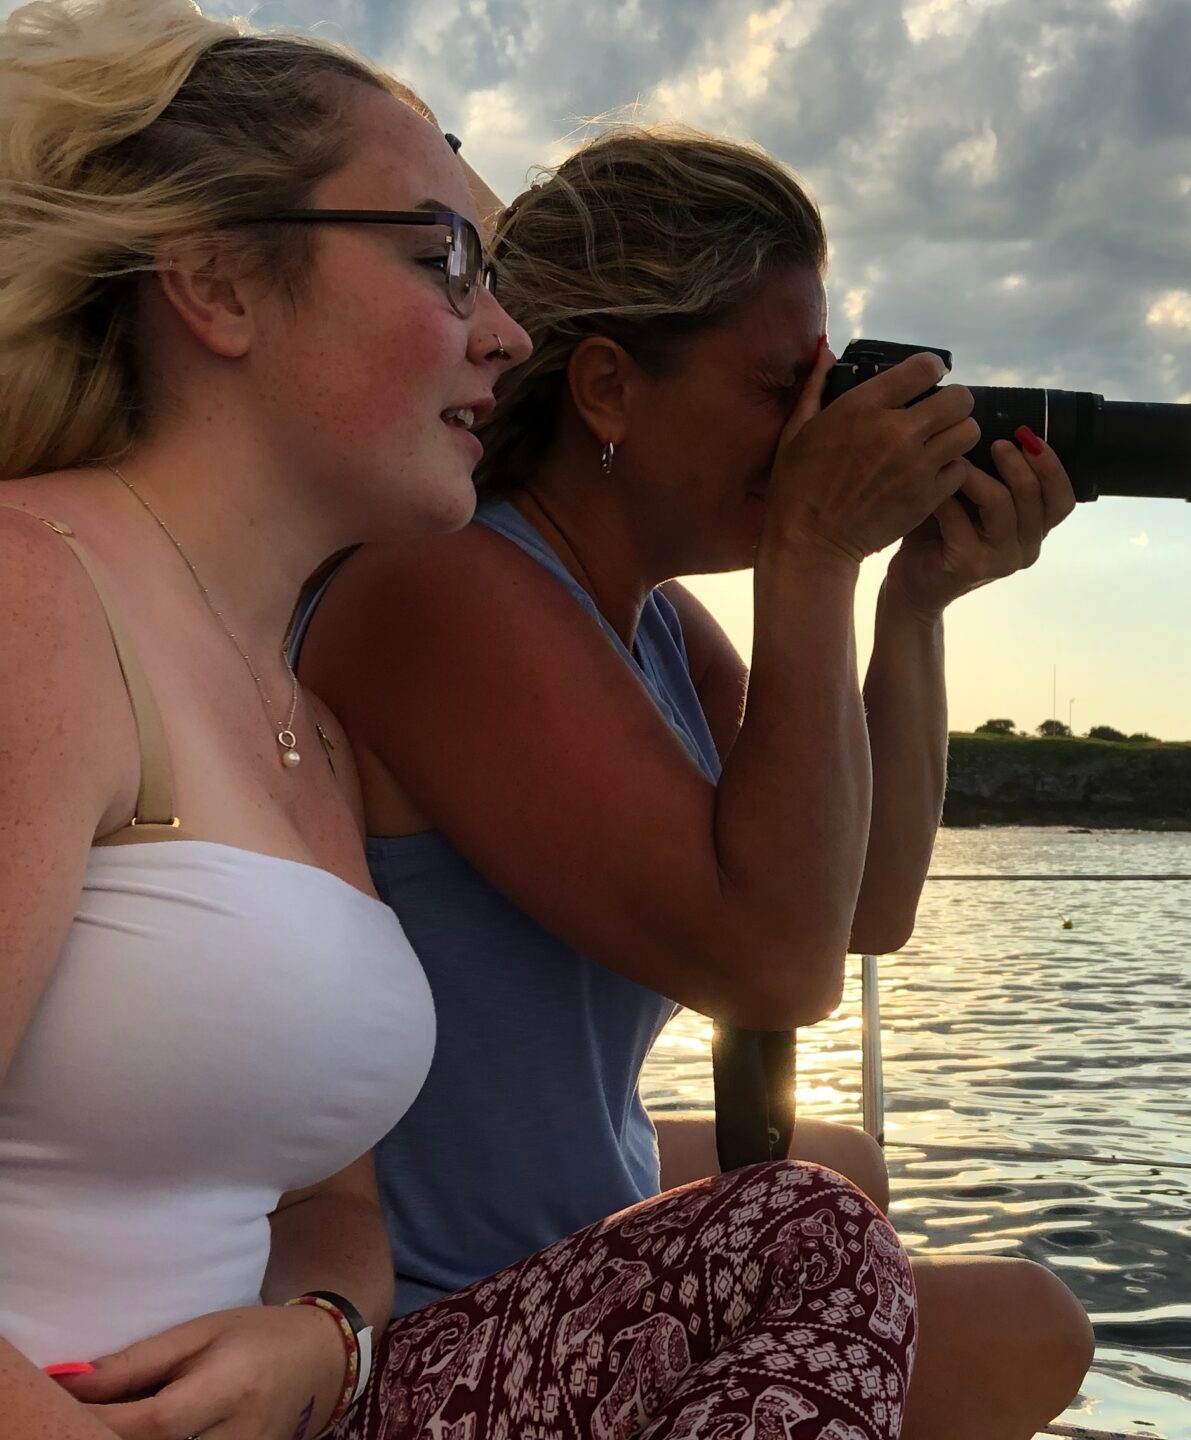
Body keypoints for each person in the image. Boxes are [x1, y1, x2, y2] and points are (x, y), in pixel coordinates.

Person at [0, 4, 916, 1439]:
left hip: (337, 1401)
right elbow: (781, 958)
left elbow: (327, 1205)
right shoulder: (32, 598)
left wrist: (323, 1335)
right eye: (445, 263)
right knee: (817, 1237)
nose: (506, 335)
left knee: (815, 1220)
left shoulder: (283, 710)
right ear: (218, 283)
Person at [292, 125, 1096, 1438]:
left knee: (847, 1160)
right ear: (607, 388)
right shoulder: (442, 587)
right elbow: (777, 970)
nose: (811, 435)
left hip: (566, 1262)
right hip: (434, 1320)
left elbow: (860, 914)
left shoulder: (650, 622)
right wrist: (816, 552)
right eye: (783, 388)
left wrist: (913, 606)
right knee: (1030, 1330)